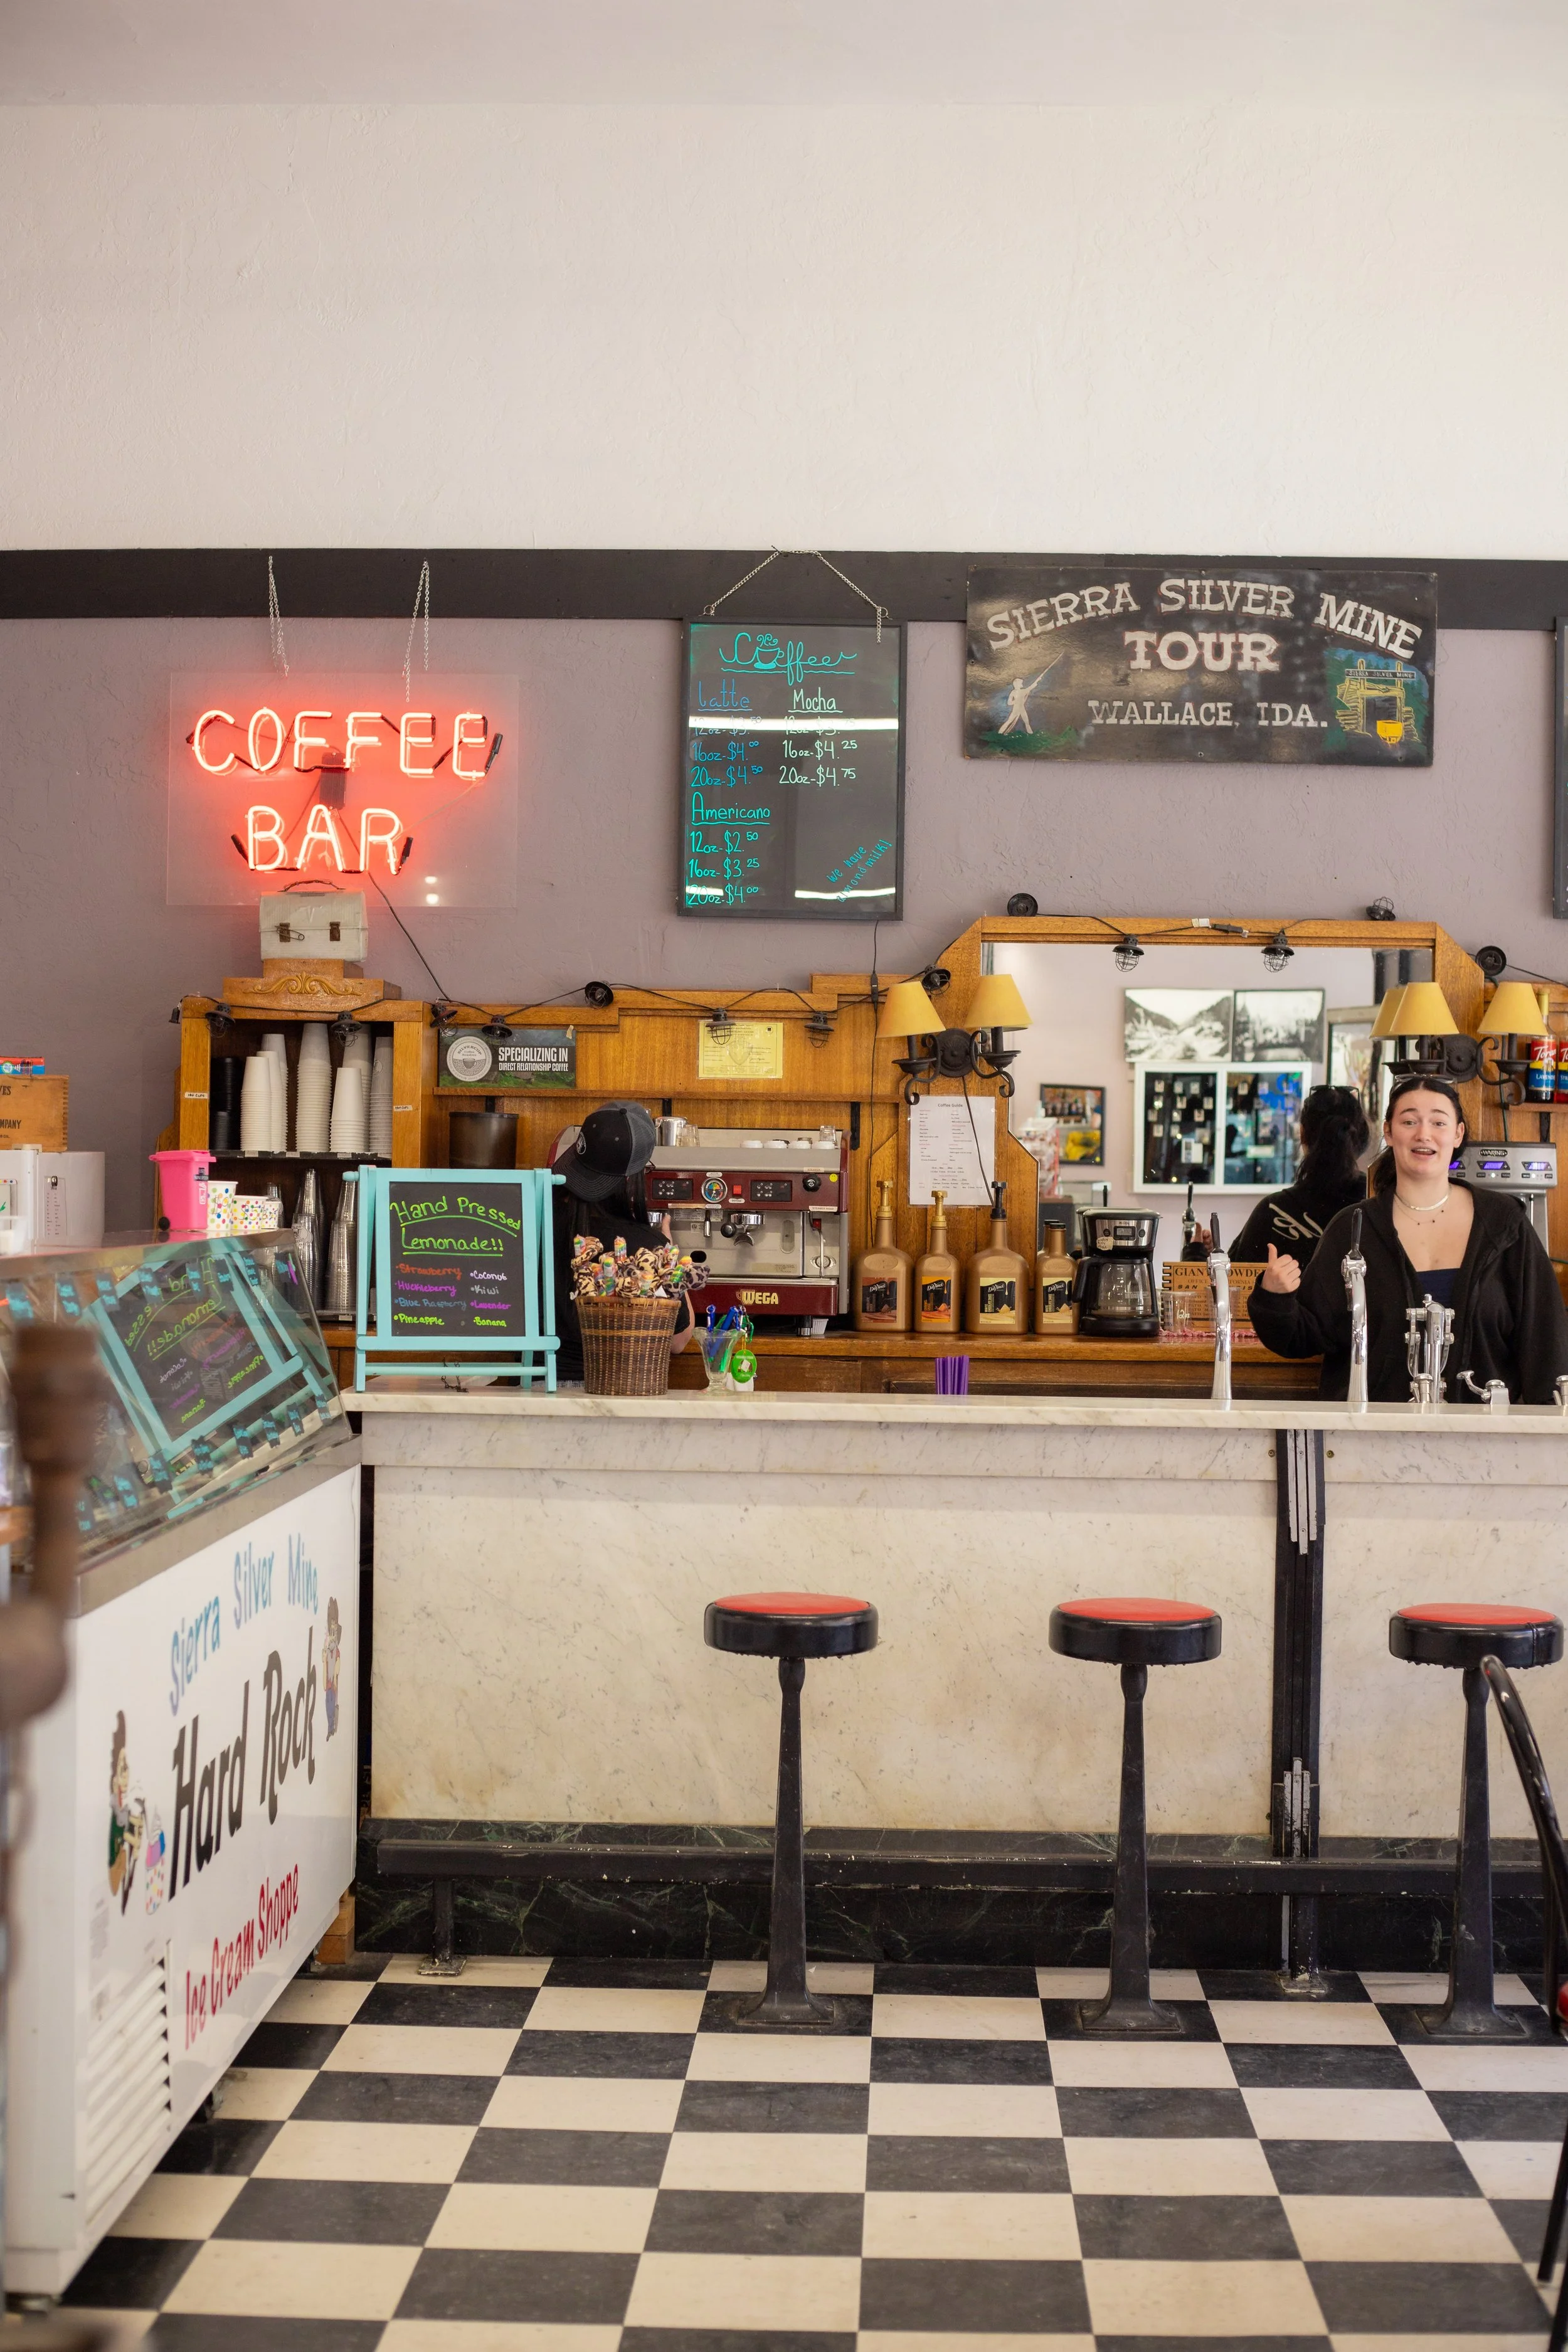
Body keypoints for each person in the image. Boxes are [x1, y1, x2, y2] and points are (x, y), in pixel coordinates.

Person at [1248, 1074, 1568, 1402]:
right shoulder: (1353, 1228)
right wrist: (1274, 1297)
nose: (1423, 1134)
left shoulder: (1503, 1223)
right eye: (1410, 1121)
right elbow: (1305, 1336)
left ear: (1458, 1133)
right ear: (1388, 1131)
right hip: (1373, 1437)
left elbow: (1545, 1339)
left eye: (1438, 1122)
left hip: (1484, 1438)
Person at [550, 1101, 694, 1384]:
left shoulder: (526, 1222)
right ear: (632, 1179)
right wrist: (668, 1258)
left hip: (532, 1390)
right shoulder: (646, 1246)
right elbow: (678, 1341)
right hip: (615, 1393)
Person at [1227, 1084, 1370, 1272]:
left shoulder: (1274, 1211)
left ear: (1302, 1134)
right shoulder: (1380, 1204)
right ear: (1360, 1136)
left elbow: (1234, 1282)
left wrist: (1196, 1253)